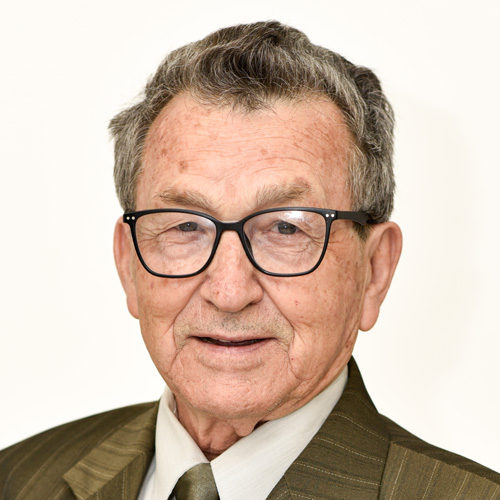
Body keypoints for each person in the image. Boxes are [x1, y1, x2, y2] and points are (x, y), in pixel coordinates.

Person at [1, 20, 498, 500]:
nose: (230, 292)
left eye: (286, 228)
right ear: (129, 265)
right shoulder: (15, 481)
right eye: (186, 226)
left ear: (374, 273)